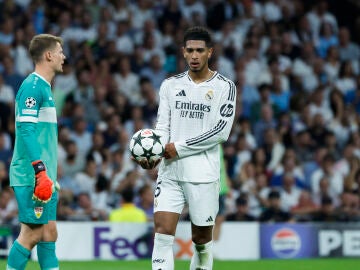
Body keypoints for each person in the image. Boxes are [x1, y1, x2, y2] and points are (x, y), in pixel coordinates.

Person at [136, 26, 236, 270]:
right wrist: (154, 151)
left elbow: (220, 132)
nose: (194, 55)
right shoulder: (170, 85)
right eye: (190, 50)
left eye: (200, 51)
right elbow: (163, 125)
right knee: (162, 234)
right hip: (170, 173)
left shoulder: (225, 87)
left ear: (209, 52)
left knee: (201, 242)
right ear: (183, 52)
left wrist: (177, 148)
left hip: (203, 175)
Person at [7, 34, 65, 270]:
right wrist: (40, 171)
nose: (64, 56)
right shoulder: (32, 87)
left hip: (44, 177)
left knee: (50, 232)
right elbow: (26, 131)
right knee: (31, 235)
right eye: (60, 51)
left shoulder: (44, 88)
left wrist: (47, 174)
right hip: (32, 176)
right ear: (48, 55)